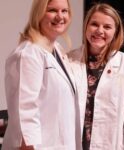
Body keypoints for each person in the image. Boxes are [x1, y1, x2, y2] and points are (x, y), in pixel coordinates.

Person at [2, 0, 81, 149]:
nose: (60, 16)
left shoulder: (57, 50)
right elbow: (25, 112)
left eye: (64, 11)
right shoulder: (28, 54)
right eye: (52, 10)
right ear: (38, 13)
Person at [68, 3, 124, 150]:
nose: (99, 31)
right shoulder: (68, 60)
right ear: (86, 26)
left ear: (116, 32)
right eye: (94, 24)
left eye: (107, 27)